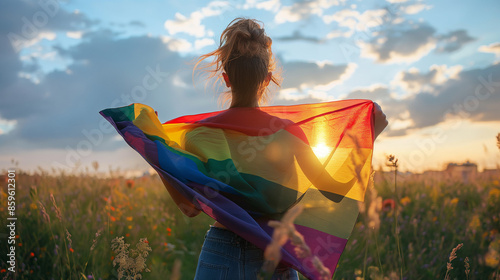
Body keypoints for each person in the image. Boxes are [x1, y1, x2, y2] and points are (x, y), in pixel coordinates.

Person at [165, 18, 388, 279]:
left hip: (220, 251)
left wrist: (153, 154)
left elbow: (189, 209)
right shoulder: (287, 132)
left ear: (226, 78)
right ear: (268, 79)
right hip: (274, 256)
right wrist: (369, 136)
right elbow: (335, 191)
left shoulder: (199, 134)